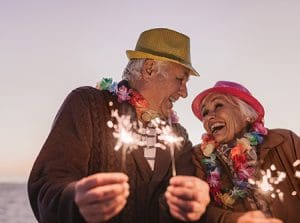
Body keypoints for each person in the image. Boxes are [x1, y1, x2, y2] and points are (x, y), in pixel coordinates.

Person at [28, 28, 210, 223]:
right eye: (180, 79)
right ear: (149, 69)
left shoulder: (178, 135)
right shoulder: (87, 104)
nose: (184, 93)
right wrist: (76, 200)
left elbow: (185, 205)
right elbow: (47, 183)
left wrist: (194, 205)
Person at [191, 81, 300, 223]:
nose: (209, 116)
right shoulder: (199, 157)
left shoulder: (284, 140)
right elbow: (197, 209)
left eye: (218, 105)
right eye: (205, 112)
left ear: (246, 113)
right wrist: (235, 220)